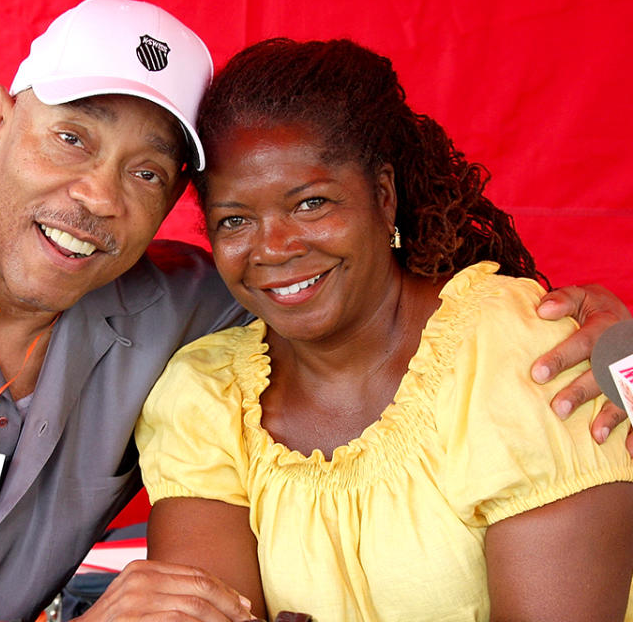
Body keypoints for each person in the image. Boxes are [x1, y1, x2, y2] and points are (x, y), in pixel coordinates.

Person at [0, 0, 626, 621]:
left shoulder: (184, 308)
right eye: (72, 138)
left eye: (146, 172)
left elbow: (348, 293)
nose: (98, 198)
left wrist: (616, 343)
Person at [135, 38, 633, 621]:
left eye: (312, 203)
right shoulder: (207, 395)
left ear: (383, 195)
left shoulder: (519, 355)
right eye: (235, 220)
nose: (273, 248)